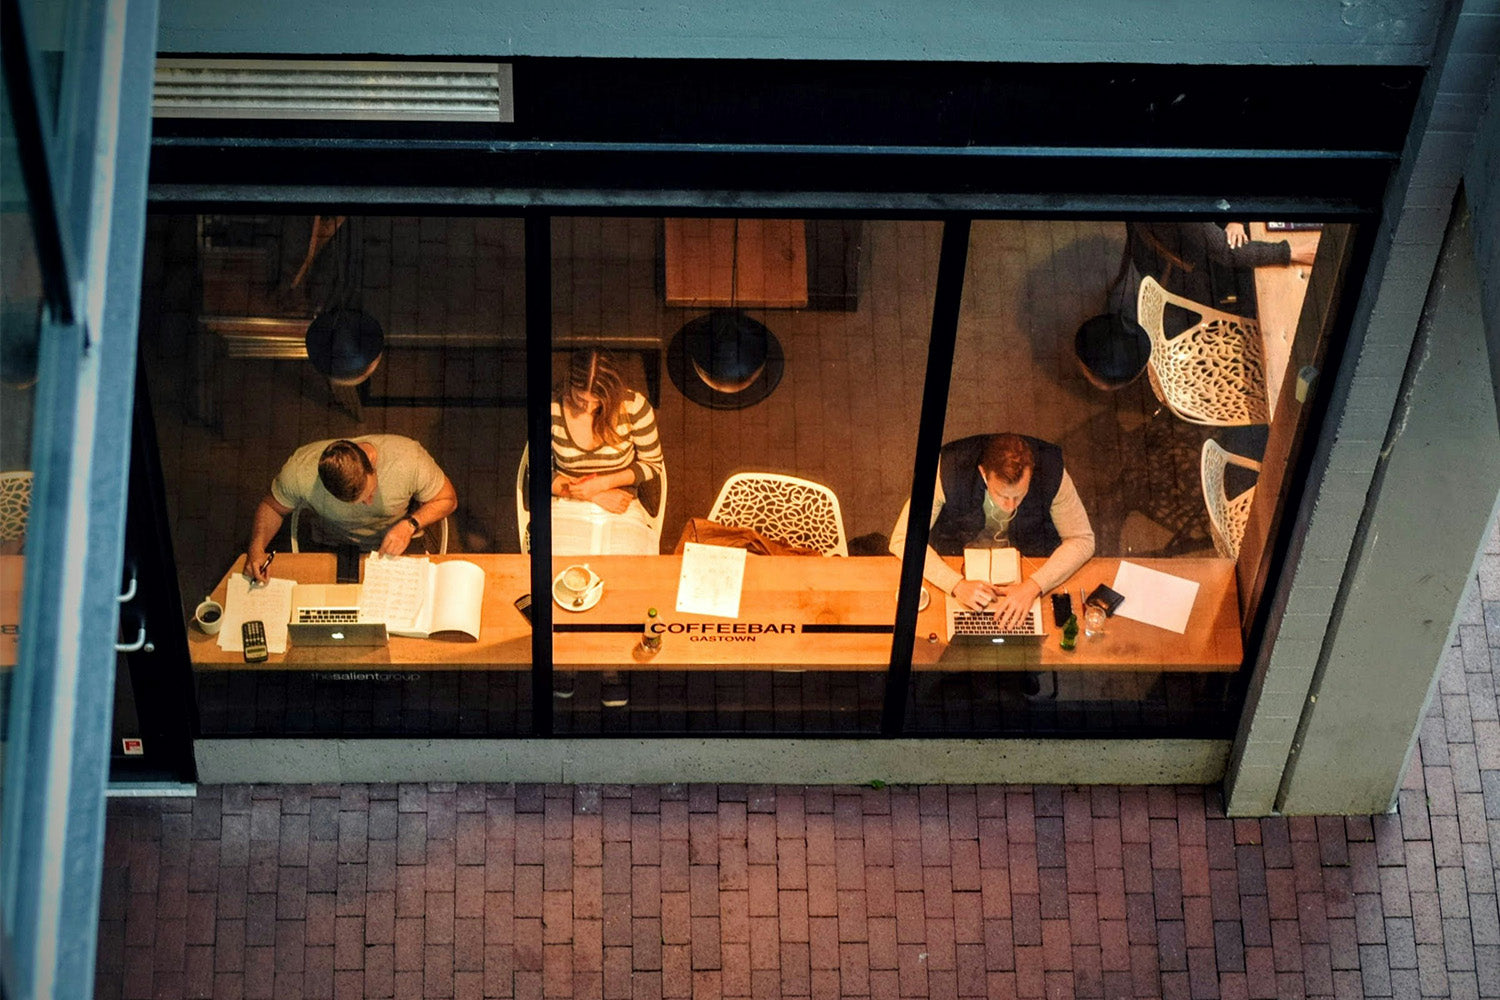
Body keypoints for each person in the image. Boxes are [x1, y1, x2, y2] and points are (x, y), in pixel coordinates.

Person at [889, 433, 1095, 627]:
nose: (1011, 505)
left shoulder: (1052, 471)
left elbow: (1082, 540)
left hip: (1027, 557)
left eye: (1019, 495)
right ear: (983, 473)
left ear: (1031, 472)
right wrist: (956, 585)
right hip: (959, 553)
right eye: (1002, 495)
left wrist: (1033, 586)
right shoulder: (947, 470)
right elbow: (902, 539)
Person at [244, 435, 457, 582]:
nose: (369, 504)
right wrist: (256, 547)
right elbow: (271, 507)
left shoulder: (410, 460)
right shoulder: (299, 471)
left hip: (400, 542)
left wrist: (410, 525)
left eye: (371, 493)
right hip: (333, 546)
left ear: (372, 463)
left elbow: (448, 499)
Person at [550, 349, 664, 525]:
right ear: (569, 385)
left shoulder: (634, 406)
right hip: (565, 502)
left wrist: (602, 484)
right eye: (580, 399)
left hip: (622, 501)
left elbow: (652, 463)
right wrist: (594, 495)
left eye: (597, 401)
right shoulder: (551, 408)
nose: (588, 408)